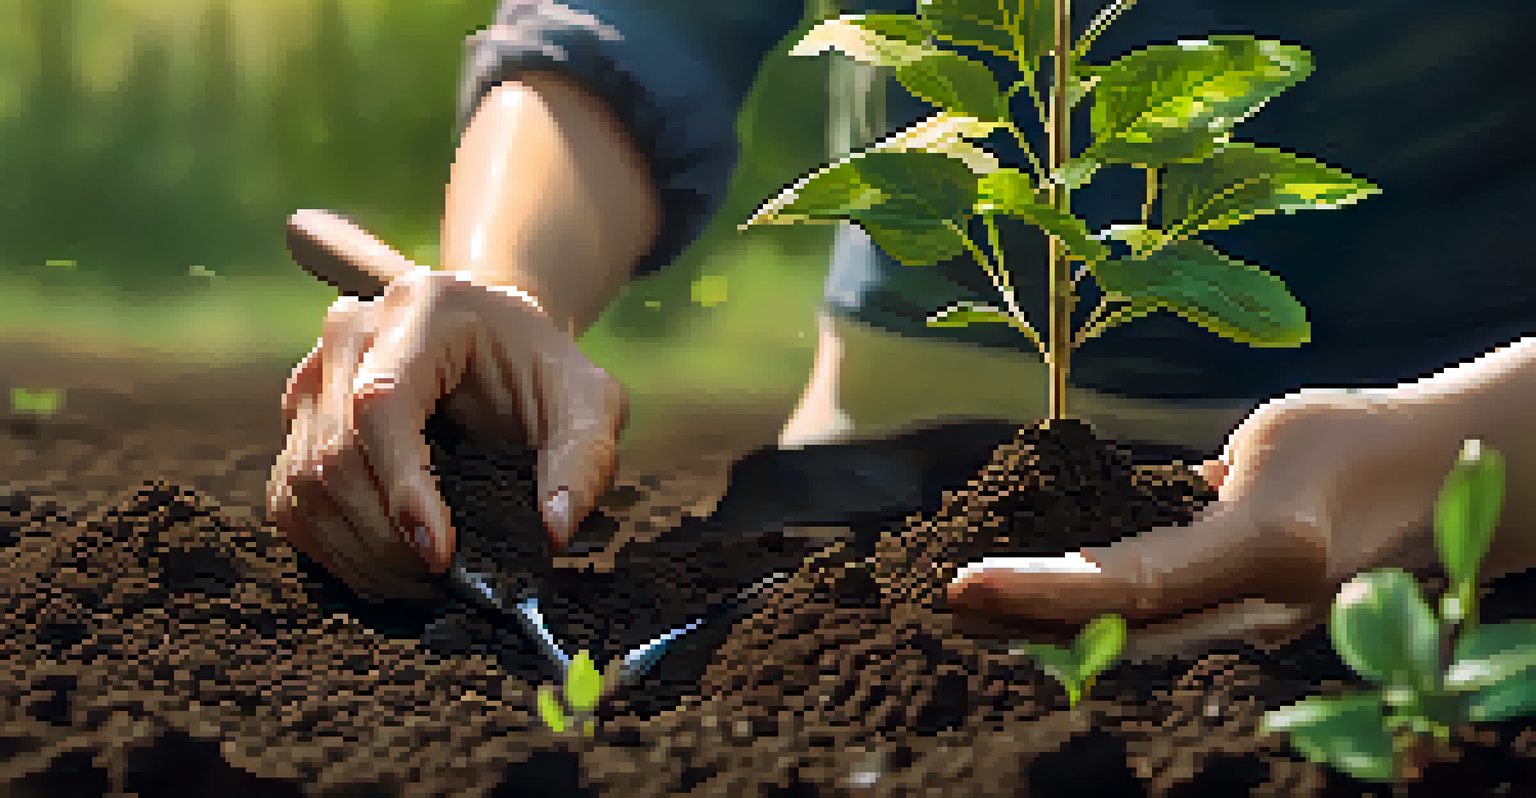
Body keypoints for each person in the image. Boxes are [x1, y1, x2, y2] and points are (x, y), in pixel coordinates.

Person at [268, 0, 1536, 655]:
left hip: (1476, 509)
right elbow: (633, 27)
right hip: (849, 523)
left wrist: (1444, 469)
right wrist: (507, 289)